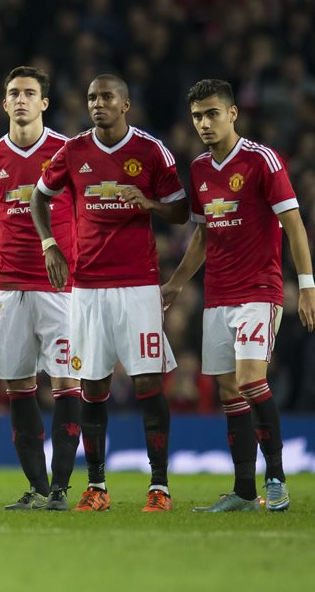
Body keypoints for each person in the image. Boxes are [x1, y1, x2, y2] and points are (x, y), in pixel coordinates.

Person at [31, 74, 188, 512]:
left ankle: (159, 487)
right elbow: (38, 199)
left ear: (126, 104)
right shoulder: (74, 151)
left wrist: (151, 204)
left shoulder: (151, 150)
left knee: (148, 382)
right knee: (92, 386)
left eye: (106, 97)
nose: (97, 104)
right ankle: (96, 486)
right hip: (87, 287)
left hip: (138, 284)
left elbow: (182, 210)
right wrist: (50, 245)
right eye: (92, 98)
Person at [162, 79, 315, 512]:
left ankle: (277, 479)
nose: (205, 123)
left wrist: (307, 287)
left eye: (212, 113)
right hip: (217, 295)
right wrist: (176, 282)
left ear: (233, 113)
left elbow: (295, 225)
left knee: (250, 379)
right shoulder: (198, 169)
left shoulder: (262, 160)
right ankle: (245, 491)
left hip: (258, 291)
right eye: (197, 116)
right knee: (229, 390)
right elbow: (202, 236)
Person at [0, 67, 80, 511]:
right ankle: (37, 488)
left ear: (44, 103)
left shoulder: (67, 152)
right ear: (4, 103)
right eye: (13, 92)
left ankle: (61, 487)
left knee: (66, 381)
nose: (20, 99)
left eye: (29, 93)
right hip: (9, 286)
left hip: (60, 287)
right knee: (16, 386)